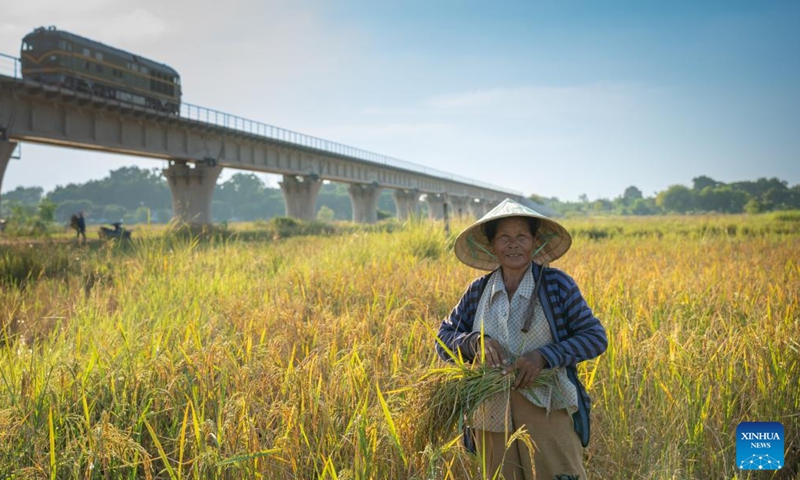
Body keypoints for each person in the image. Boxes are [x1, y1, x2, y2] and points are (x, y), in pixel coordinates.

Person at [436, 198, 607, 480]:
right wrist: (473, 343)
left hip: (547, 407)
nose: (513, 244)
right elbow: (443, 338)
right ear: (492, 246)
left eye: (521, 237)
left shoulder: (557, 285)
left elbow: (594, 337)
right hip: (490, 415)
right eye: (504, 237)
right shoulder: (478, 291)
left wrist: (543, 357)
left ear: (534, 242)